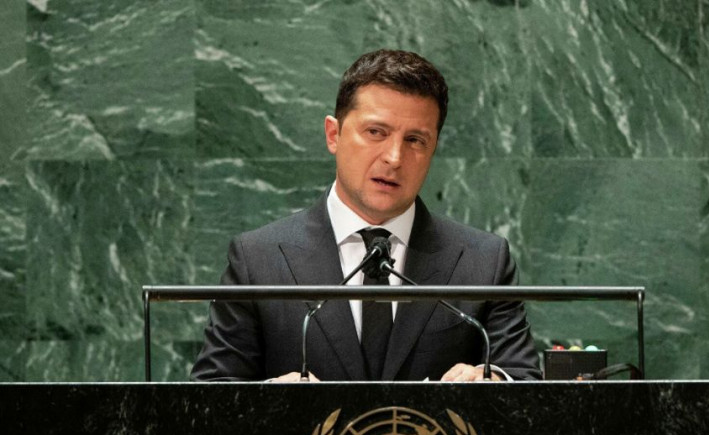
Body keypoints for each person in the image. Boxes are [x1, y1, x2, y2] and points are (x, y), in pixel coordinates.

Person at [192, 49, 541, 382]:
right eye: (376, 132)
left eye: (415, 140)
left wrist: (494, 379)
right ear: (334, 134)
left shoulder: (484, 262)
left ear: (433, 148)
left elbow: (524, 378)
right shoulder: (258, 260)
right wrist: (273, 396)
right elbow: (212, 391)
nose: (394, 157)